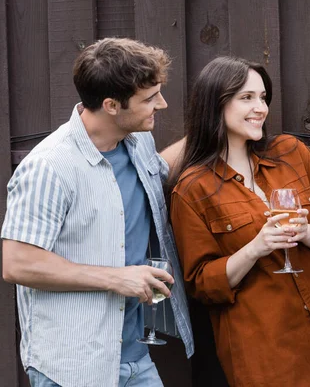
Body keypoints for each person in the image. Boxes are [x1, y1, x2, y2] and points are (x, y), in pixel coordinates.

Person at [1, 38, 194, 387]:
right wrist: (118, 277)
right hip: (73, 365)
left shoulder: (136, 142)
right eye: (149, 99)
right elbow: (18, 263)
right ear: (111, 105)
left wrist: (209, 130)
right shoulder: (49, 167)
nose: (161, 104)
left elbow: (156, 172)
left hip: (136, 359)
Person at [169, 56, 310, 387]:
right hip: (267, 358)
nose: (261, 108)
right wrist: (256, 247)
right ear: (216, 104)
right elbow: (201, 283)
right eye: (247, 98)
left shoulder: (291, 152)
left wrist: (307, 231)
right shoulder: (192, 189)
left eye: (263, 97)